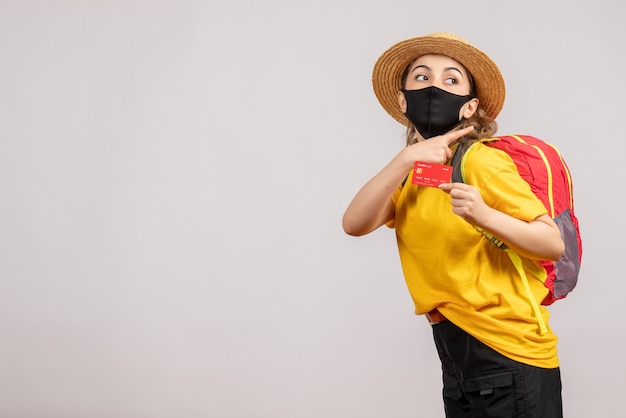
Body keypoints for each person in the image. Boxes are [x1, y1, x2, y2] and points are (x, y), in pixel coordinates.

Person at [342, 32, 565, 417]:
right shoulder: (417, 173)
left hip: (507, 350)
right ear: (402, 99)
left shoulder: (480, 161)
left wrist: (484, 215)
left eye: (451, 80)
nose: (434, 87)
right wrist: (405, 159)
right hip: (458, 352)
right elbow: (354, 223)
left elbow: (551, 242)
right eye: (422, 77)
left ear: (469, 106)